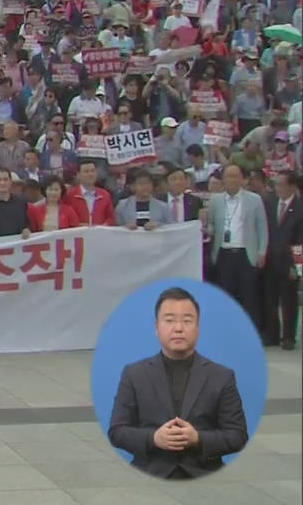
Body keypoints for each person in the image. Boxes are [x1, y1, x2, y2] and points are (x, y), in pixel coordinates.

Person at [107, 287, 248, 479]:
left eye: (187, 321)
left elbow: (237, 436)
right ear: (156, 327)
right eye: (170, 320)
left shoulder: (221, 376)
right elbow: (117, 432)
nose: (178, 328)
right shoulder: (134, 374)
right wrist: (153, 438)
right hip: (149, 474)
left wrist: (198, 439)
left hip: (204, 475)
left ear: (197, 327)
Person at [207, 164, 270, 329]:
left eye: (236, 176)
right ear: (223, 180)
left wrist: (262, 251)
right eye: (229, 176)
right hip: (223, 253)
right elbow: (212, 226)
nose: (232, 179)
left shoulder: (254, 199)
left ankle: (251, 334)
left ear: (243, 179)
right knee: (225, 297)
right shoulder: (215, 200)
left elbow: (262, 228)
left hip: (246, 253)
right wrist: (205, 227)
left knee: (250, 297)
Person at [261, 172, 301, 350]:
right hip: (270, 260)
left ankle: (289, 337)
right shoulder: (269, 203)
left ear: (292, 186)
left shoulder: (300, 207)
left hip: (289, 262)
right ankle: (272, 335)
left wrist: (297, 266)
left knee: (289, 301)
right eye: (276, 184)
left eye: (281, 185)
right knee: (269, 299)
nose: (278, 188)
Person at [65, 160, 116, 226]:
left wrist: (103, 225)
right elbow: (65, 219)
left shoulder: (105, 195)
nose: (90, 174)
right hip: (78, 235)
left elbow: (111, 219)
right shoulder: (70, 196)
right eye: (86, 171)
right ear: (78, 175)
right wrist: (79, 225)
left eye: (92, 171)